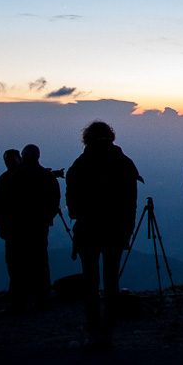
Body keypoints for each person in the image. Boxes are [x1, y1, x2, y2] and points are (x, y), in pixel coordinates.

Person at [65, 121, 143, 348]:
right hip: (115, 229)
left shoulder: (81, 163)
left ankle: (93, 330)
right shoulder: (124, 163)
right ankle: (108, 331)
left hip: (88, 229)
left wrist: (82, 214)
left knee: (90, 282)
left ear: (87, 138)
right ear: (111, 137)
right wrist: (128, 228)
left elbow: (72, 202)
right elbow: (131, 201)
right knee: (111, 281)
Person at [5, 144, 61, 312]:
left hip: (20, 227)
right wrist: (47, 217)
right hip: (40, 226)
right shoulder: (47, 176)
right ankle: (41, 299)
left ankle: (19, 301)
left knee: (19, 264)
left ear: (24, 156)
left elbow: (10, 202)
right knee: (40, 262)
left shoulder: (17, 176)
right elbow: (55, 200)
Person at [0, 148, 20, 308]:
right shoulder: (3, 180)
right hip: (12, 228)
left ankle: (20, 294)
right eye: (7, 161)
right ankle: (18, 291)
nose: (9, 164)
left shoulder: (6, 179)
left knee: (17, 261)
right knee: (13, 262)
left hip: (18, 227)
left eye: (11, 160)